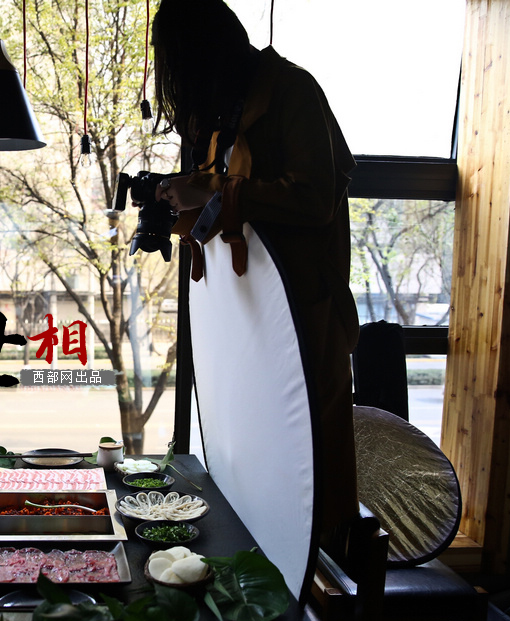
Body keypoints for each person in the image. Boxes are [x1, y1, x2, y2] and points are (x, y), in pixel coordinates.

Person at [151, 0, 360, 550]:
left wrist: (214, 191)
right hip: (251, 323)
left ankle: (320, 620)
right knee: (255, 482)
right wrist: (191, 195)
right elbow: (227, 200)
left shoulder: (293, 93)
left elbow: (315, 197)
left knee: (308, 480)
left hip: (303, 317)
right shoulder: (227, 113)